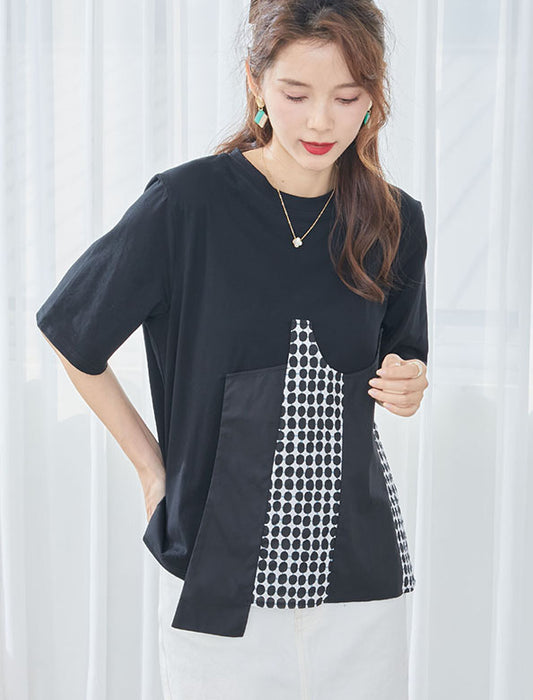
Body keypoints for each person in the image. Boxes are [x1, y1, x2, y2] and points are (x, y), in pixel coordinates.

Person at [35, 0, 429, 697]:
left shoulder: (394, 219)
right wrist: (151, 471)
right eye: (296, 94)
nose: (320, 122)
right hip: (216, 573)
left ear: (372, 96)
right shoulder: (186, 205)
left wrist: (409, 379)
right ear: (256, 83)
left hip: (359, 578)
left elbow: (402, 357)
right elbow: (73, 330)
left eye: (346, 98)